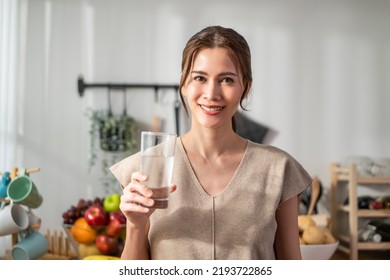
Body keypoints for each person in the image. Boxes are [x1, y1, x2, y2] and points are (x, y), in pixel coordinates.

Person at [110, 25, 312, 260]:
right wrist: (135, 225)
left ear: (245, 88)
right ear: (184, 84)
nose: (211, 93)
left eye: (226, 79)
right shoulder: (144, 167)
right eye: (199, 78)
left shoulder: (278, 169)